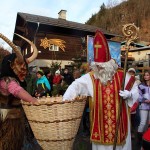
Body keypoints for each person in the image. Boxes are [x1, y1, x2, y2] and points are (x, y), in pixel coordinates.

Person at [63, 30, 139, 150]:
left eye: (102, 66)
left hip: (120, 124)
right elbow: (76, 85)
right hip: (100, 125)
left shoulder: (123, 75)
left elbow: (135, 90)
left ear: (109, 64)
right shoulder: (92, 76)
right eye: (97, 66)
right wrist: (66, 98)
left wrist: (129, 94)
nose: (99, 69)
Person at [0, 33, 38, 150]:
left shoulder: (7, 79)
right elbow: (17, 91)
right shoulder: (8, 81)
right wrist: (33, 100)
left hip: (13, 119)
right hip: (9, 121)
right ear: (11, 67)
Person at [137, 70, 150, 147]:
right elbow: (138, 96)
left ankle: (147, 138)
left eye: (147, 75)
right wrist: (144, 100)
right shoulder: (141, 85)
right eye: (145, 75)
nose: (146, 77)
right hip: (144, 106)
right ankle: (139, 140)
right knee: (143, 123)